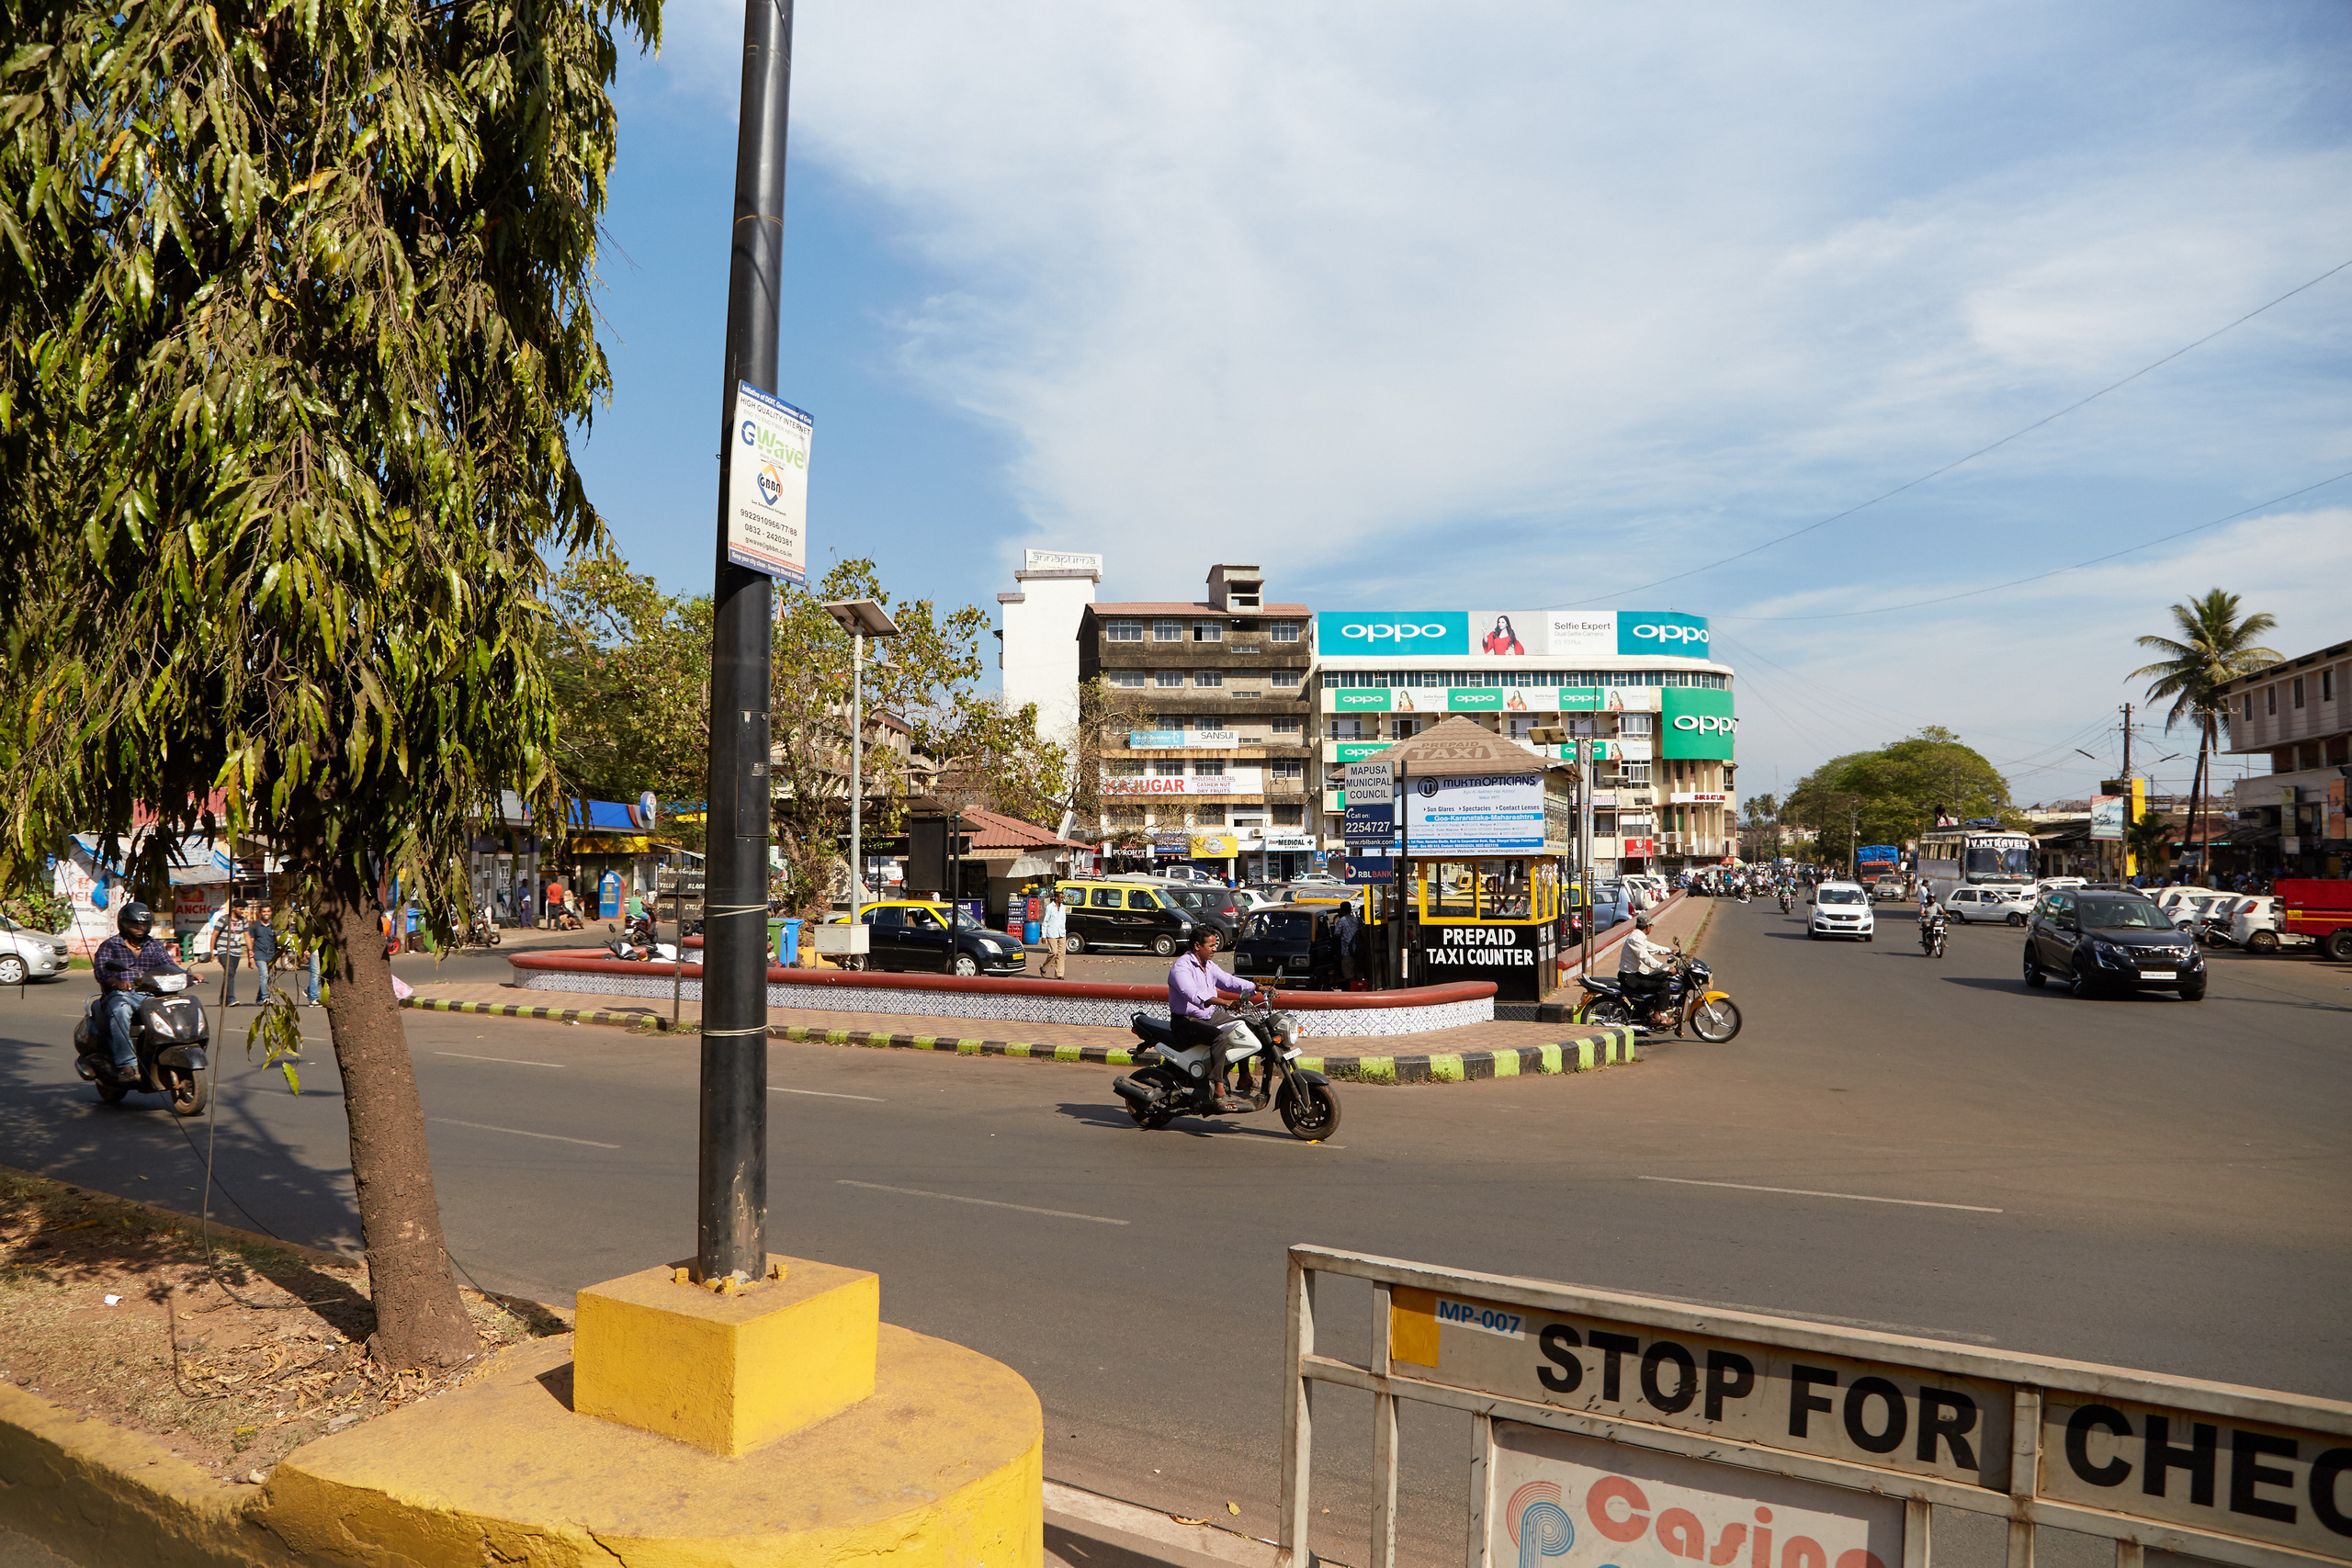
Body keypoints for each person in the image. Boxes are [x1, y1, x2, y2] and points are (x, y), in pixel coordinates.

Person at [1168, 928, 1257, 1107]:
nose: (1215, 949)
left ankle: (1244, 1076)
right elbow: (1192, 994)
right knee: (1220, 1038)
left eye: (1215, 945)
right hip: (1186, 1021)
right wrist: (1225, 1002)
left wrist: (1257, 987)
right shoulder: (1181, 967)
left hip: (1207, 1016)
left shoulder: (1208, 965)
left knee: (1246, 1026)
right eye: (1212, 945)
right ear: (1197, 946)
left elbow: (1229, 981)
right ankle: (1218, 1088)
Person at [92, 902, 179, 1081]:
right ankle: (126, 1065)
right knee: (121, 1010)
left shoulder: (153, 946)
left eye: (144, 925)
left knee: (177, 1007)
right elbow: (102, 972)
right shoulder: (110, 946)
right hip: (121, 996)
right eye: (135, 924)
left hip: (151, 995)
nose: (140, 929)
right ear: (124, 924)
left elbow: (169, 966)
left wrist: (188, 975)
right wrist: (117, 982)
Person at [1616, 911, 1679, 1026]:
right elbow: (1646, 958)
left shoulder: (1639, 937)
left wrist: (1670, 951)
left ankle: (1648, 1013)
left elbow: (1653, 948)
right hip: (1630, 977)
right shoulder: (1635, 938)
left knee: (1659, 977)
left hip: (1635, 975)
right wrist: (1665, 968)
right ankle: (1657, 1016)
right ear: (1648, 927)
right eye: (1651, 926)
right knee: (1663, 984)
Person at [216, 900, 249, 1005]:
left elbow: (247, 935)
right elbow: (214, 935)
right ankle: (230, 998)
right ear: (233, 907)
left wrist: (250, 950)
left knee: (230, 974)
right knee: (229, 972)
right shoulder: (224, 919)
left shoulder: (243, 921)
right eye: (240, 909)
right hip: (223, 949)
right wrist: (212, 950)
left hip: (236, 951)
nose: (242, 911)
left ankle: (223, 998)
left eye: (243, 909)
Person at [1038, 888, 1069, 979]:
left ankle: (1059, 974)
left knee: (1061, 954)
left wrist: (1063, 930)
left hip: (1062, 933)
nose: (1062, 899)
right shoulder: (1050, 908)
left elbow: (1063, 920)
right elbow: (1045, 921)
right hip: (1052, 933)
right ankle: (1044, 968)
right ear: (1056, 898)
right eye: (1061, 897)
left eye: (1063, 897)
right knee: (1053, 953)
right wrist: (1043, 936)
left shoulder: (1063, 908)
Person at [250, 904, 277, 1004]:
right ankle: (266, 997)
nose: (266, 914)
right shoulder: (255, 926)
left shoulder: (275, 925)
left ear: (271, 913)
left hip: (271, 954)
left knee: (268, 977)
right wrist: (250, 954)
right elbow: (251, 941)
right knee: (264, 974)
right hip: (259, 953)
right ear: (260, 913)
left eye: (268, 911)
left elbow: (279, 939)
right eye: (264, 912)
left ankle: (260, 998)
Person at [1334, 897, 1362, 987]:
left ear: (1341, 910)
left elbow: (1336, 935)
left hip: (1346, 951)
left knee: (1349, 974)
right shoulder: (1357, 920)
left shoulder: (1341, 921)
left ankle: (1352, 990)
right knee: (1358, 972)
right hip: (1358, 950)